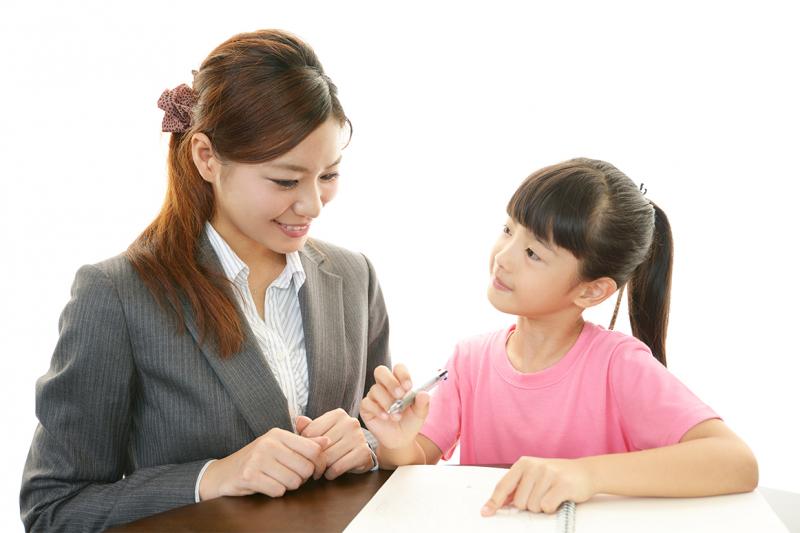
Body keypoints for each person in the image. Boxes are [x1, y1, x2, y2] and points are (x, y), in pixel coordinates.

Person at [20, 29, 390, 531]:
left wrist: (369, 444)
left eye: (328, 175)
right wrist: (212, 477)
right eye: (285, 180)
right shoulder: (117, 295)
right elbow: (53, 510)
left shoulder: (353, 276)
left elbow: (379, 438)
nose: (312, 206)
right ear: (206, 157)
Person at [360, 158, 758, 517]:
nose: (504, 257)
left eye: (533, 253)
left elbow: (736, 461)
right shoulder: (469, 359)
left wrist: (585, 474)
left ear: (591, 290)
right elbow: (416, 461)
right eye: (508, 229)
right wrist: (397, 441)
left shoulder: (618, 364)